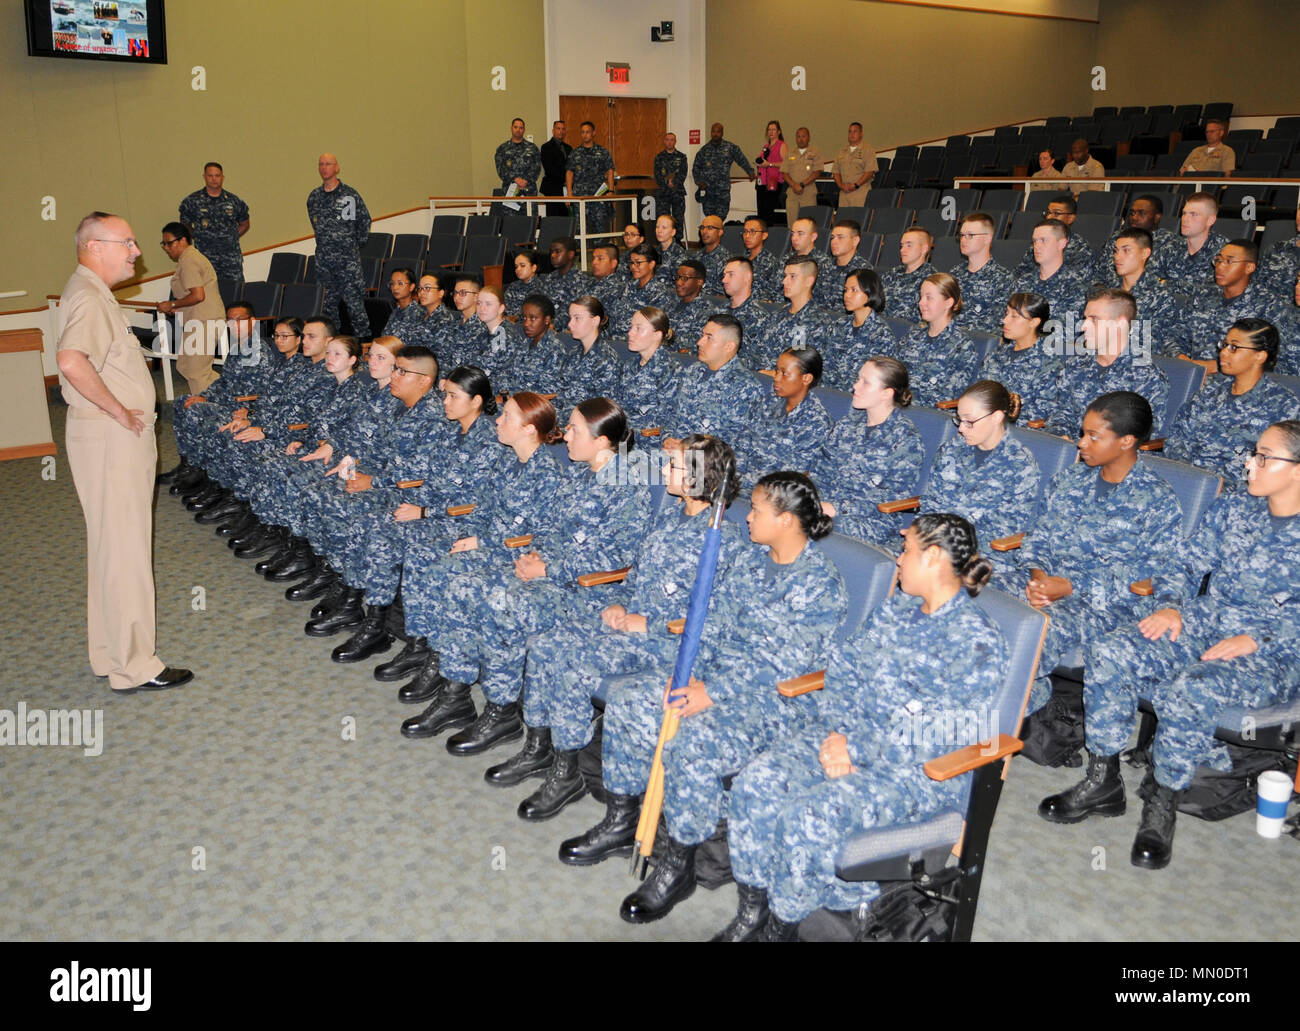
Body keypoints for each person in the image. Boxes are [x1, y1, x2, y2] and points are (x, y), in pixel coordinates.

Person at [719, 513, 1006, 941]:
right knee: (756, 783)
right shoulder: (897, 608)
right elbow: (845, 667)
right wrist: (837, 733)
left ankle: (782, 927)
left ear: (932, 558)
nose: (898, 561)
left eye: (906, 551)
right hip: (846, 737)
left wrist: (856, 749)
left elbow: (939, 735)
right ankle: (754, 911)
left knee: (805, 817)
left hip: (913, 777)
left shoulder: (977, 642)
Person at [1041, 420, 1300, 871]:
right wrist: (1173, 606)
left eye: (1263, 457)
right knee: (1112, 651)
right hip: (1207, 620)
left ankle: (1161, 804)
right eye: (1252, 452)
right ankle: (1102, 780)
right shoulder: (1236, 509)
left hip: (1275, 649)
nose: (1249, 464)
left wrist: (1260, 637)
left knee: (1191, 689)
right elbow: (1183, 563)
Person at [607, 471, 848, 924]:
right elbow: (712, 623)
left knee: (693, 743)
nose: (748, 517)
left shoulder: (819, 582)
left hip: (777, 701)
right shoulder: (753, 561)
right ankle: (623, 820)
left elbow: (783, 663)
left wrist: (711, 694)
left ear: (787, 520)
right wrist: (688, 675)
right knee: (633, 701)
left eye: (757, 510)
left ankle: (677, 864)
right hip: (719, 679)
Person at [511, 436, 747, 822]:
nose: (664, 471)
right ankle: (541, 746)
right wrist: (622, 601)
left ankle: (568, 772)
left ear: (698, 478)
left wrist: (648, 623)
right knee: (548, 645)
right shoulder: (671, 515)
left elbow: (717, 617)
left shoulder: (721, 539)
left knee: (574, 661)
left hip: (667, 641)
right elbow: (639, 572)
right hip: (630, 623)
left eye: (673, 466)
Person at [403, 398, 652, 752]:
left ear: (600, 441)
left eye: (575, 430)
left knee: (501, 601)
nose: (565, 436)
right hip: (546, 575)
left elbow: (615, 558)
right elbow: (547, 529)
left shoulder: (627, 487)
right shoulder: (578, 474)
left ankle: (501, 711)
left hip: (586, 592)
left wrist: (549, 568)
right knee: (462, 585)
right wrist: (534, 556)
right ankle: (456, 691)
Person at [57, 212, 191, 693]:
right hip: (112, 438)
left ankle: (109, 654)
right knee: (127, 552)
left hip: (103, 437)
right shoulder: (91, 295)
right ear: (95, 245)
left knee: (110, 549)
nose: (137, 252)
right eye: (128, 243)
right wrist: (118, 410)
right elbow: (71, 362)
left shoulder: (88, 290)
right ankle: (136, 665)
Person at [392, 391, 567, 708]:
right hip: (486, 537)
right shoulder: (509, 462)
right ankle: (427, 646)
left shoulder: (547, 473)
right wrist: (467, 533)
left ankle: (446, 670)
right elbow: (483, 509)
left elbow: (538, 535)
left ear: (529, 428)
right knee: (421, 553)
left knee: (445, 573)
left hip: (512, 551)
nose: (497, 421)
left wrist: (480, 542)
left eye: (506, 417)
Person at [1013, 391, 1183, 713]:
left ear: (1126, 441)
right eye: (1082, 433)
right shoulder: (1070, 479)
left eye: (1093, 436)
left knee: (1036, 630)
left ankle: (989, 724)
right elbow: (1039, 535)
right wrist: (1039, 578)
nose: (1081, 443)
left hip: (1107, 603)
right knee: (979, 597)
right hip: (1050, 584)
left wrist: (1069, 586)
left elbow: (1152, 571)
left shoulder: (1156, 499)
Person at [919, 380, 1040, 579]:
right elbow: (932, 502)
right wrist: (923, 536)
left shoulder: (1020, 464)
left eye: (969, 421)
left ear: (996, 417)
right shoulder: (952, 449)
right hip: (938, 544)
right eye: (959, 420)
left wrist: (948, 546)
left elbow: (1005, 529)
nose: (961, 429)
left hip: (983, 557)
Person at [1164, 319, 1299, 490]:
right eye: (1224, 344)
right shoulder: (1210, 393)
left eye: (1234, 347)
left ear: (1259, 356)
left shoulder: (1283, 405)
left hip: (1235, 495)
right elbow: (1176, 437)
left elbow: (1274, 468)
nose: (1223, 353)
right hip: (1187, 481)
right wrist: (1189, 475)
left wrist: (1215, 484)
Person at [812, 356, 923, 546]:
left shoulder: (906, 439)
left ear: (886, 393)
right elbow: (820, 471)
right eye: (858, 379)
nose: (855, 386)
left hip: (873, 520)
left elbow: (891, 497)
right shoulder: (846, 425)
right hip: (827, 507)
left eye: (866, 383)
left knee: (809, 526)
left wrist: (837, 508)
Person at [1048, 288, 1168, 439]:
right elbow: (1060, 413)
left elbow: (1141, 437)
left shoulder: (1147, 377)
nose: (1084, 326)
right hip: (1068, 453)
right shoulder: (1076, 365)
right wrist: (1061, 436)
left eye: (1094, 319)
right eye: (1085, 319)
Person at [661, 314, 768, 446]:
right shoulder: (693, 370)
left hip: (706, 461)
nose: (699, 342)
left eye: (709, 338)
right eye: (702, 335)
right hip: (672, 452)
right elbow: (671, 411)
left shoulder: (746, 387)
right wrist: (667, 438)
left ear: (728, 346)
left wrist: (688, 450)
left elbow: (741, 442)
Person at [736, 346, 833, 488]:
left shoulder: (817, 423)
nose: (776, 378)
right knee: (696, 470)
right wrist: (731, 476)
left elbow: (789, 477)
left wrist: (738, 482)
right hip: (737, 482)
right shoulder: (768, 402)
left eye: (784, 373)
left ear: (806, 378)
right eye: (776, 371)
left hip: (769, 494)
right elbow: (741, 443)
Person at [1182, 240, 1287, 366]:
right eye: (1219, 260)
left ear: (1249, 267)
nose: (1220, 267)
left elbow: (1270, 356)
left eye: (1229, 261)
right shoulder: (1201, 295)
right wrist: (1181, 358)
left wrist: (1216, 367)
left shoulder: (1269, 305)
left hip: (1233, 378)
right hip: (1188, 371)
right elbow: (1175, 332)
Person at [307, 152, 371, 340]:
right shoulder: (314, 197)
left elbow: (363, 222)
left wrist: (350, 246)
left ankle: (365, 343)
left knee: (355, 306)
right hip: (324, 263)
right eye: (321, 164)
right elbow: (316, 224)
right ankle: (331, 344)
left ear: (336, 168)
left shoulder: (348, 196)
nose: (324, 167)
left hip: (347, 263)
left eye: (328, 164)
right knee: (327, 308)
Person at [156, 221, 225, 396]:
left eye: (169, 243)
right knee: (184, 365)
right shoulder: (187, 259)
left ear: (183, 240)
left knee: (196, 371)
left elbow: (198, 295)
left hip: (205, 320)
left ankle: (205, 413)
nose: (166, 247)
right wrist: (179, 307)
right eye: (163, 243)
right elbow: (193, 297)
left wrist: (172, 304)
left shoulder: (189, 260)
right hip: (197, 319)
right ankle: (230, 393)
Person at [892, 273, 981, 406]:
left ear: (948, 303)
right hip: (896, 407)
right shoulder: (912, 336)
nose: (921, 303)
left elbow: (949, 396)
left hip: (927, 414)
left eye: (929, 298)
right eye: (921, 297)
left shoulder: (962, 346)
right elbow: (891, 374)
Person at [1100, 227, 1187, 357]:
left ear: (1145, 253)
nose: (1117, 257)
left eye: (1126, 251)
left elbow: (1152, 344)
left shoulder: (1160, 296)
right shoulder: (1107, 293)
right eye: (1116, 251)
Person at [981, 292, 1064, 427]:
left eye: (1014, 316)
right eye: (1006, 314)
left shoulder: (1048, 364)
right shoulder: (997, 354)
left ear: (1034, 322)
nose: (1005, 320)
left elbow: (1038, 416)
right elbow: (979, 394)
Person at [749, 257, 831, 372]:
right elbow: (757, 352)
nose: (784, 281)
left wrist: (775, 374)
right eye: (785, 276)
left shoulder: (817, 322)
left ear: (809, 281)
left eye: (792, 276)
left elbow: (804, 368)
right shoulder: (777, 315)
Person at [823, 267, 897, 390]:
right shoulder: (838, 325)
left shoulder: (881, 334)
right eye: (846, 290)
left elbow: (877, 380)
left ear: (869, 293)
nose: (847, 295)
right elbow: (824, 363)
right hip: (829, 392)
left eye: (854, 290)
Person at [614, 305, 685, 432]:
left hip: (649, 443)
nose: (630, 333)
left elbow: (668, 419)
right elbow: (617, 405)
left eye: (638, 329)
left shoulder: (671, 369)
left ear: (657, 335)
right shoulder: (629, 365)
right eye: (631, 327)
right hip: (623, 437)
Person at [178, 161, 249, 283]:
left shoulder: (233, 201)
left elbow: (245, 223)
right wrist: (197, 235)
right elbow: (185, 224)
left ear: (222, 177)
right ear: (204, 177)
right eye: (210, 176)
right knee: (208, 294)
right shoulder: (192, 201)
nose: (214, 179)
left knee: (235, 293)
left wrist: (231, 237)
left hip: (230, 259)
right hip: (205, 258)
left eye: (217, 175)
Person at [1011, 220, 1088, 324]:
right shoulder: (1023, 281)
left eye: (1043, 240)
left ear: (1062, 243)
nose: (1037, 246)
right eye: (1034, 241)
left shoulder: (1075, 286)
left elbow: (1062, 332)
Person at [950, 211, 1013, 334]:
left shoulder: (1002, 278)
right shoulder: (954, 274)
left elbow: (997, 326)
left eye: (970, 235)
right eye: (962, 235)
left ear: (987, 238)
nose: (963, 240)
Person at [1159, 192, 1229, 295]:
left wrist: (1169, 284)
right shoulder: (1170, 247)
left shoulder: (1224, 252)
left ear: (1210, 220)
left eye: (1194, 214)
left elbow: (1217, 292)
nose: (1185, 219)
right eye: (1184, 213)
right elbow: (1149, 278)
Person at [498, 294, 567, 398]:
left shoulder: (555, 350)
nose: (526, 323)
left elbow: (546, 392)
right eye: (524, 318)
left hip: (529, 406)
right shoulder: (525, 343)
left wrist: (507, 398)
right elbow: (507, 373)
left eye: (533, 318)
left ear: (547, 320)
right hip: (509, 400)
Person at [692, 122, 755, 221]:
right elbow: (696, 168)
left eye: (718, 131)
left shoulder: (730, 147)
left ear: (722, 133)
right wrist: (699, 182)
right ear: (711, 133)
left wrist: (750, 172)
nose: (715, 134)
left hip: (723, 191)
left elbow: (741, 159)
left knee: (720, 219)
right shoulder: (704, 150)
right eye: (713, 131)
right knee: (709, 219)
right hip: (709, 191)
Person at [566, 121, 616, 235]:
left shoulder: (603, 152)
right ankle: (581, 252)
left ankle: (600, 251)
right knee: (579, 230)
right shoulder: (575, 153)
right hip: (580, 196)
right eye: (582, 132)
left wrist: (611, 190)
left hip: (598, 197)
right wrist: (569, 193)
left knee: (599, 228)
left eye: (587, 132)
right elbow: (569, 172)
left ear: (593, 133)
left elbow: (610, 170)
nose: (585, 135)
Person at [539, 236, 592, 334]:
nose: (553, 255)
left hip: (567, 333)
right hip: (545, 328)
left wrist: (552, 324)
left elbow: (576, 312)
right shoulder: (548, 278)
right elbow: (541, 305)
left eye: (557, 251)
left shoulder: (582, 281)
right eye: (551, 252)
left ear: (571, 254)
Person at [880, 228, 936, 318]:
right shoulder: (892, 273)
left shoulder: (931, 280)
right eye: (902, 245)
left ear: (924, 249)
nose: (902, 250)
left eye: (909, 245)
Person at [721, 256, 775, 345]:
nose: (724, 280)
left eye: (731, 274)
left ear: (747, 277)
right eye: (724, 275)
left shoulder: (759, 318)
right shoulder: (718, 310)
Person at [787, 217, 838, 309]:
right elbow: (772, 290)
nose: (794, 238)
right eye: (792, 234)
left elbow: (826, 300)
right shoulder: (785, 259)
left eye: (800, 234)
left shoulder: (824, 263)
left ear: (813, 237)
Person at [780, 126, 823, 226]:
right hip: (792, 193)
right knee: (792, 224)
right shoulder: (790, 153)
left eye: (803, 136)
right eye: (798, 136)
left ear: (809, 137)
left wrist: (802, 184)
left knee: (808, 224)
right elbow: (784, 172)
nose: (801, 139)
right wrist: (794, 185)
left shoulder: (815, 152)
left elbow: (817, 172)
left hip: (808, 192)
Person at [668, 258, 716, 346]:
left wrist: (668, 335)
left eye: (685, 278)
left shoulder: (706, 310)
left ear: (699, 281)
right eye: (678, 277)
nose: (678, 283)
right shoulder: (671, 303)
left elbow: (695, 343)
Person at [831, 121, 878, 208]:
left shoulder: (868, 150)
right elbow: (835, 171)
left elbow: (869, 172)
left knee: (858, 220)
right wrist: (840, 185)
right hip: (844, 194)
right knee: (844, 220)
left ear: (861, 134)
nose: (852, 134)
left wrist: (855, 185)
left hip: (860, 193)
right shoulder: (842, 151)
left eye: (855, 131)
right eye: (850, 131)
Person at [494, 117, 541, 196]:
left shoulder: (533, 148)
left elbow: (537, 168)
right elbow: (501, 169)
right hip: (509, 191)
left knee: (529, 209)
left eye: (521, 128)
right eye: (515, 127)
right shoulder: (502, 149)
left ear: (524, 130)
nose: (518, 130)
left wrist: (525, 180)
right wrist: (515, 179)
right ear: (511, 128)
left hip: (529, 191)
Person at [740, 217, 783, 302]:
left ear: (764, 235)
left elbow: (775, 297)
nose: (747, 236)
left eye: (752, 232)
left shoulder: (772, 263)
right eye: (745, 232)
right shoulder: (741, 260)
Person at [653, 132, 688, 231]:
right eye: (667, 140)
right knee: (664, 218)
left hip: (677, 191)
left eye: (672, 140)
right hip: (664, 192)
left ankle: (677, 240)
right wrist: (667, 182)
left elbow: (683, 173)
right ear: (664, 142)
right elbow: (657, 175)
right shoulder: (659, 157)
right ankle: (664, 240)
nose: (669, 142)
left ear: (675, 142)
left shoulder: (682, 157)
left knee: (678, 218)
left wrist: (675, 182)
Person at [754, 120, 786, 225]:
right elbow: (760, 160)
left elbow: (785, 164)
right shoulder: (765, 147)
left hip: (774, 183)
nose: (771, 132)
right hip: (762, 183)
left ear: (779, 132)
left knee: (769, 212)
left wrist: (770, 164)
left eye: (774, 130)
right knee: (761, 213)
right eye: (769, 130)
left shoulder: (782, 145)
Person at [824, 219, 863, 303]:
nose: (833, 242)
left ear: (855, 241)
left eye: (840, 237)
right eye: (832, 238)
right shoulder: (824, 265)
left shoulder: (863, 271)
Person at [539, 120, 572, 215]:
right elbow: (549, 169)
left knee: (566, 219)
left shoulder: (569, 148)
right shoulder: (546, 147)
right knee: (553, 220)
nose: (561, 131)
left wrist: (570, 180)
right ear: (553, 130)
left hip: (567, 189)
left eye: (563, 129)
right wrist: (566, 178)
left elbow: (571, 167)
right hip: (552, 188)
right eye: (558, 128)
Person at [696, 214, 730, 295]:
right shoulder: (697, 255)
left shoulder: (725, 259)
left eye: (710, 228)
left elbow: (724, 294)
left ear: (720, 232)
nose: (704, 231)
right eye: (702, 228)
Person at [652, 214, 687, 286]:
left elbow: (680, 282)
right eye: (657, 227)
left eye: (664, 228)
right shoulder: (654, 252)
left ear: (673, 232)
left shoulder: (679, 253)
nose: (659, 231)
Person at [505, 249, 544, 314]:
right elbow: (506, 308)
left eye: (522, 265)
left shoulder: (542, 286)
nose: (518, 269)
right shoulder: (513, 286)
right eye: (516, 267)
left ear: (533, 268)